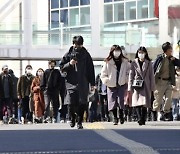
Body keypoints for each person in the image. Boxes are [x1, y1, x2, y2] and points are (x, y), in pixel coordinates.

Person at [60, 35, 95, 129]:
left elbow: (91, 69)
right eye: (76, 45)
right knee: (70, 102)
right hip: (71, 82)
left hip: (83, 82)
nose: (78, 47)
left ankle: (79, 121)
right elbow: (61, 67)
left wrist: (92, 83)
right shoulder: (68, 54)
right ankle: (72, 117)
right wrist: (69, 64)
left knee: (82, 103)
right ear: (73, 44)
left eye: (80, 45)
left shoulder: (86, 55)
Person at [100, 45, 130, 125]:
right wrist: (106, 81)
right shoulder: (107, 62)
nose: (117, 52)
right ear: (112, 51)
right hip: (111, 84)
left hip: (121, 83)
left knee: (121, 100)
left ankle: (121, 115)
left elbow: (129, 71)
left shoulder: (125, 61)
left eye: (118, 51)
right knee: (112, 101)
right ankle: (115, 117)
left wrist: (126, 79)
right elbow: (103, 74)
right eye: (115, 51)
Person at [128, 47, 155, 125]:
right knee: (137, 102)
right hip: (136, 84)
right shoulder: (133, 63)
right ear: (137, 53)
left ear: (145, 53)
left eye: (142, 52)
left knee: (145, 103)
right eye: (139, 52)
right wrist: (130, 86)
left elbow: (151, 75)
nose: (141, 54)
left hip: (146, 84)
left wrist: (152, 87)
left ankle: (143, 118)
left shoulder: (149, 63)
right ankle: (139, 118)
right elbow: (131, 75)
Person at [153, 42, 180, 121]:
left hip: (168, 82)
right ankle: (154, 112)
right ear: (166, 50)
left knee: (169, 98)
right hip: (159, 81)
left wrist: (175, 60)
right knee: (158, 99)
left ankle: (166, 113)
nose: (171, 50)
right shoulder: (160, 58)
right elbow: (154, 69)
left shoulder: (172, 59)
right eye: (170, 49)